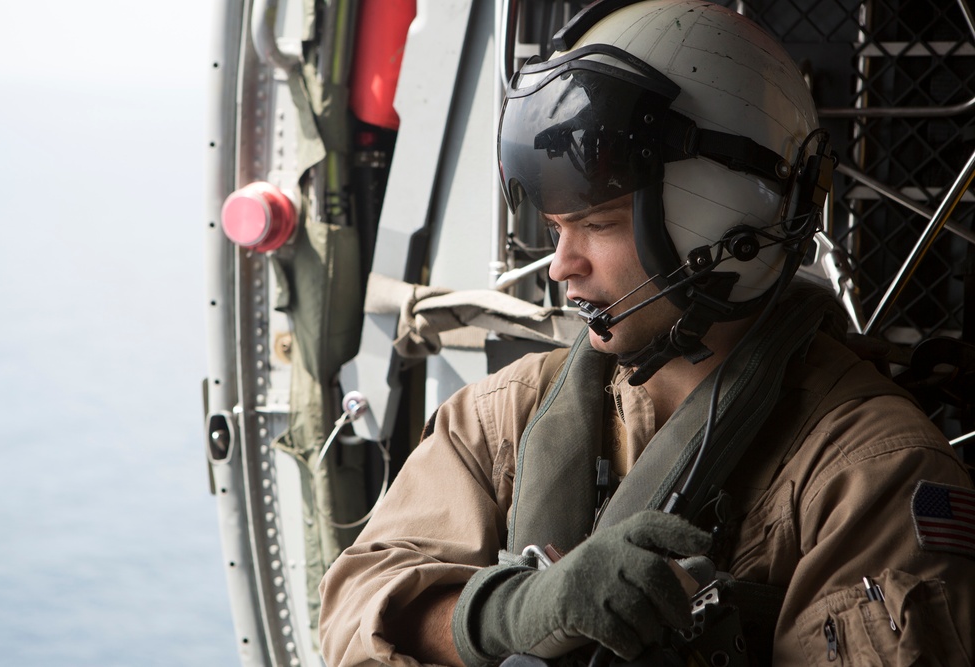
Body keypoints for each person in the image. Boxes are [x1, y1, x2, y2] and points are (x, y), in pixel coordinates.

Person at [319, 1, 975, 665]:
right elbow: (355, 609)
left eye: (597, 225)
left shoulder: (872, 475)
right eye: (555, 230)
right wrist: (510, 611)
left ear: (725, 224)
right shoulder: (497, 420)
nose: (561, 267)